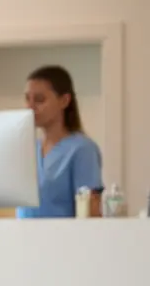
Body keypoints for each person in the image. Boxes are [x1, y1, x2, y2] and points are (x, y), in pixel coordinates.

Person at [17, 64, 103, 218]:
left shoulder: (82, 149)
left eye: (39, 100)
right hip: (21, 237)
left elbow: (91, 214)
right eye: (27, 99)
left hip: (64, 239)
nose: (30, 107)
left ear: (64, 100)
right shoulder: (28, 150)